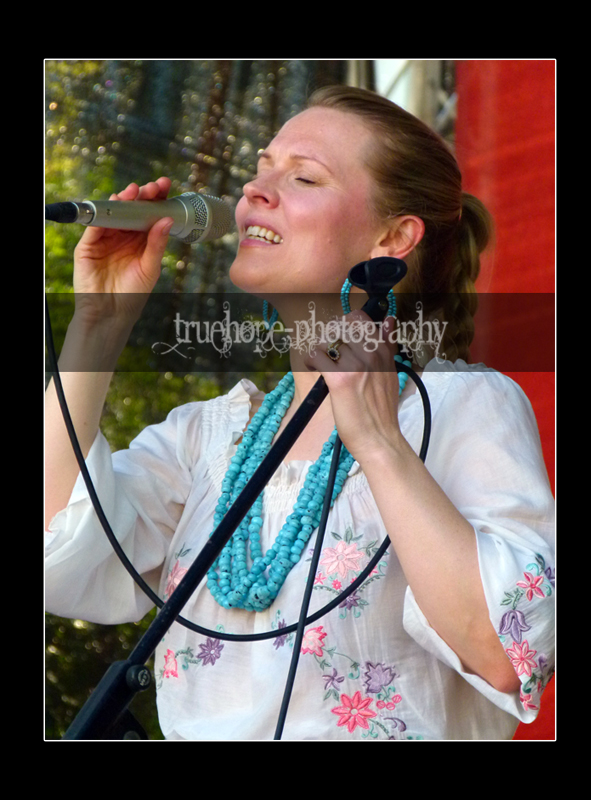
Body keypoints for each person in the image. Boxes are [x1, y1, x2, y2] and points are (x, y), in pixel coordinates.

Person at [45, 86, 555, 740]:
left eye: (304, 176)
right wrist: (97, 325)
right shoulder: (208, 438)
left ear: (393, 237)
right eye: (261, 166)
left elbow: (509, 654)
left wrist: (377, 441)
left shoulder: (459, 409)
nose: (255, 189)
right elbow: (57, 558)